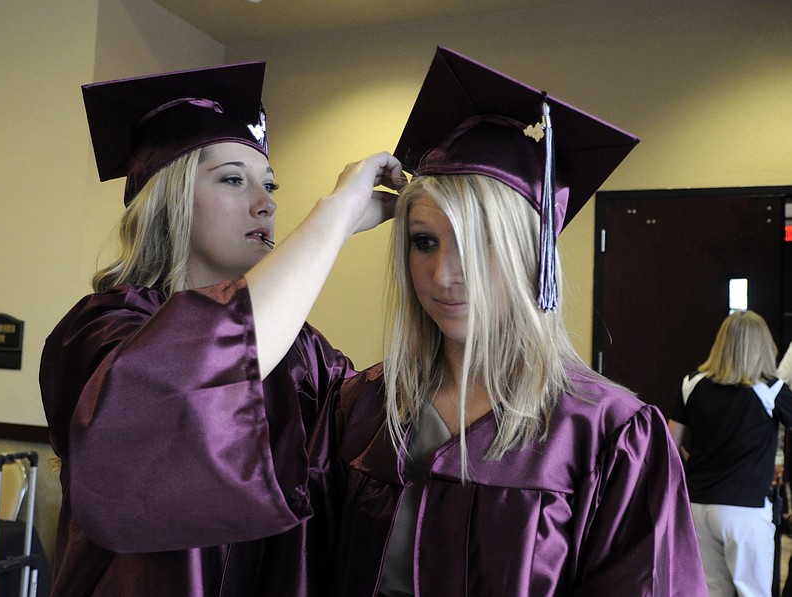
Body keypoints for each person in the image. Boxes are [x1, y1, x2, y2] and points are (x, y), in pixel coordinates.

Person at [309, 47, 708, 596]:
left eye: (482, 243)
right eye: (425, 241)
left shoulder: (610, 435)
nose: (445, 274)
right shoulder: (362, 409)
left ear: (533, 256)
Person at [38, 61, 402, 596]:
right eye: (233, 179)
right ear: (173, 197)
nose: (267, 202)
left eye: (271, 185)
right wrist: (338, 213)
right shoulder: (99, 332)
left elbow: (377, 446)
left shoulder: (306, 353)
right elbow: (189, 375)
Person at [668, 310, 792, 597]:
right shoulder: (771, 390)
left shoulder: (692, 383)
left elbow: (670, 444)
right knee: (754, 592)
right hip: (745, 510)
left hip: (698, 505)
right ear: (763, 346)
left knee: (711, 590)